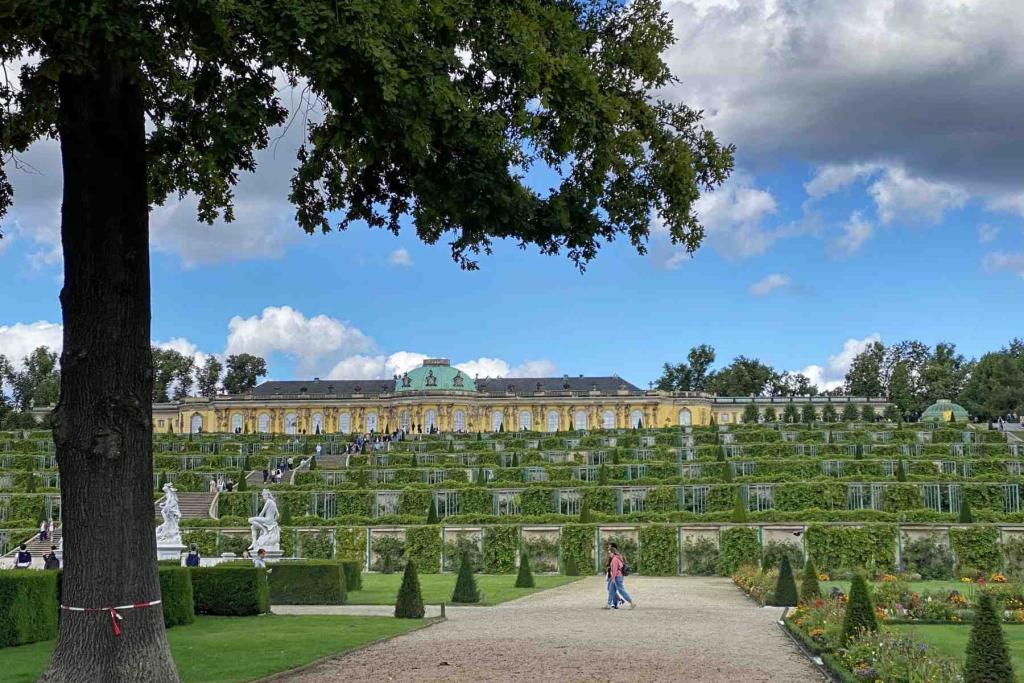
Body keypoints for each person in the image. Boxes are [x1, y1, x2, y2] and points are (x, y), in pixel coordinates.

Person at [604, 544, 635, 610]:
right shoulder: (617, 558)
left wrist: (613, 578)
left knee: (621, 590)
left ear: (613, 552)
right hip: (617, 577)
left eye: (610, 553)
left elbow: (615, 570)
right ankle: (609, 604)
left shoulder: (615, 559)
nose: (609, 554)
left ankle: (631, 602)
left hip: (617, 577)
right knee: (611, 590)